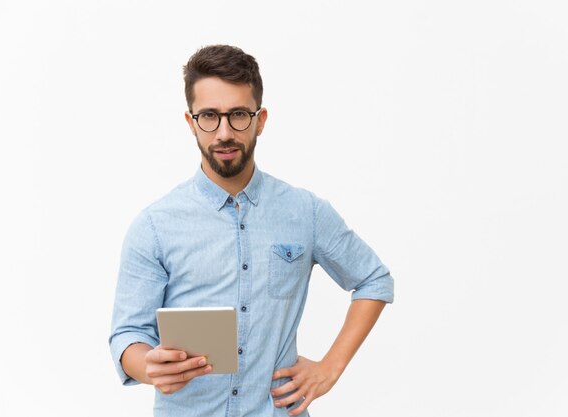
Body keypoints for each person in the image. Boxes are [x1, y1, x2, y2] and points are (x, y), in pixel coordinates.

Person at [109, 44, 394, 417]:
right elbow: (128, 334)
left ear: (260, 120)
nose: (224, 132)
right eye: (209, 116)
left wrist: (329, 368)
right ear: (190, 122)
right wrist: (148, 364)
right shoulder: (154, 226)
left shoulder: (304, 211)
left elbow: (374, 279)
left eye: (238, 115)